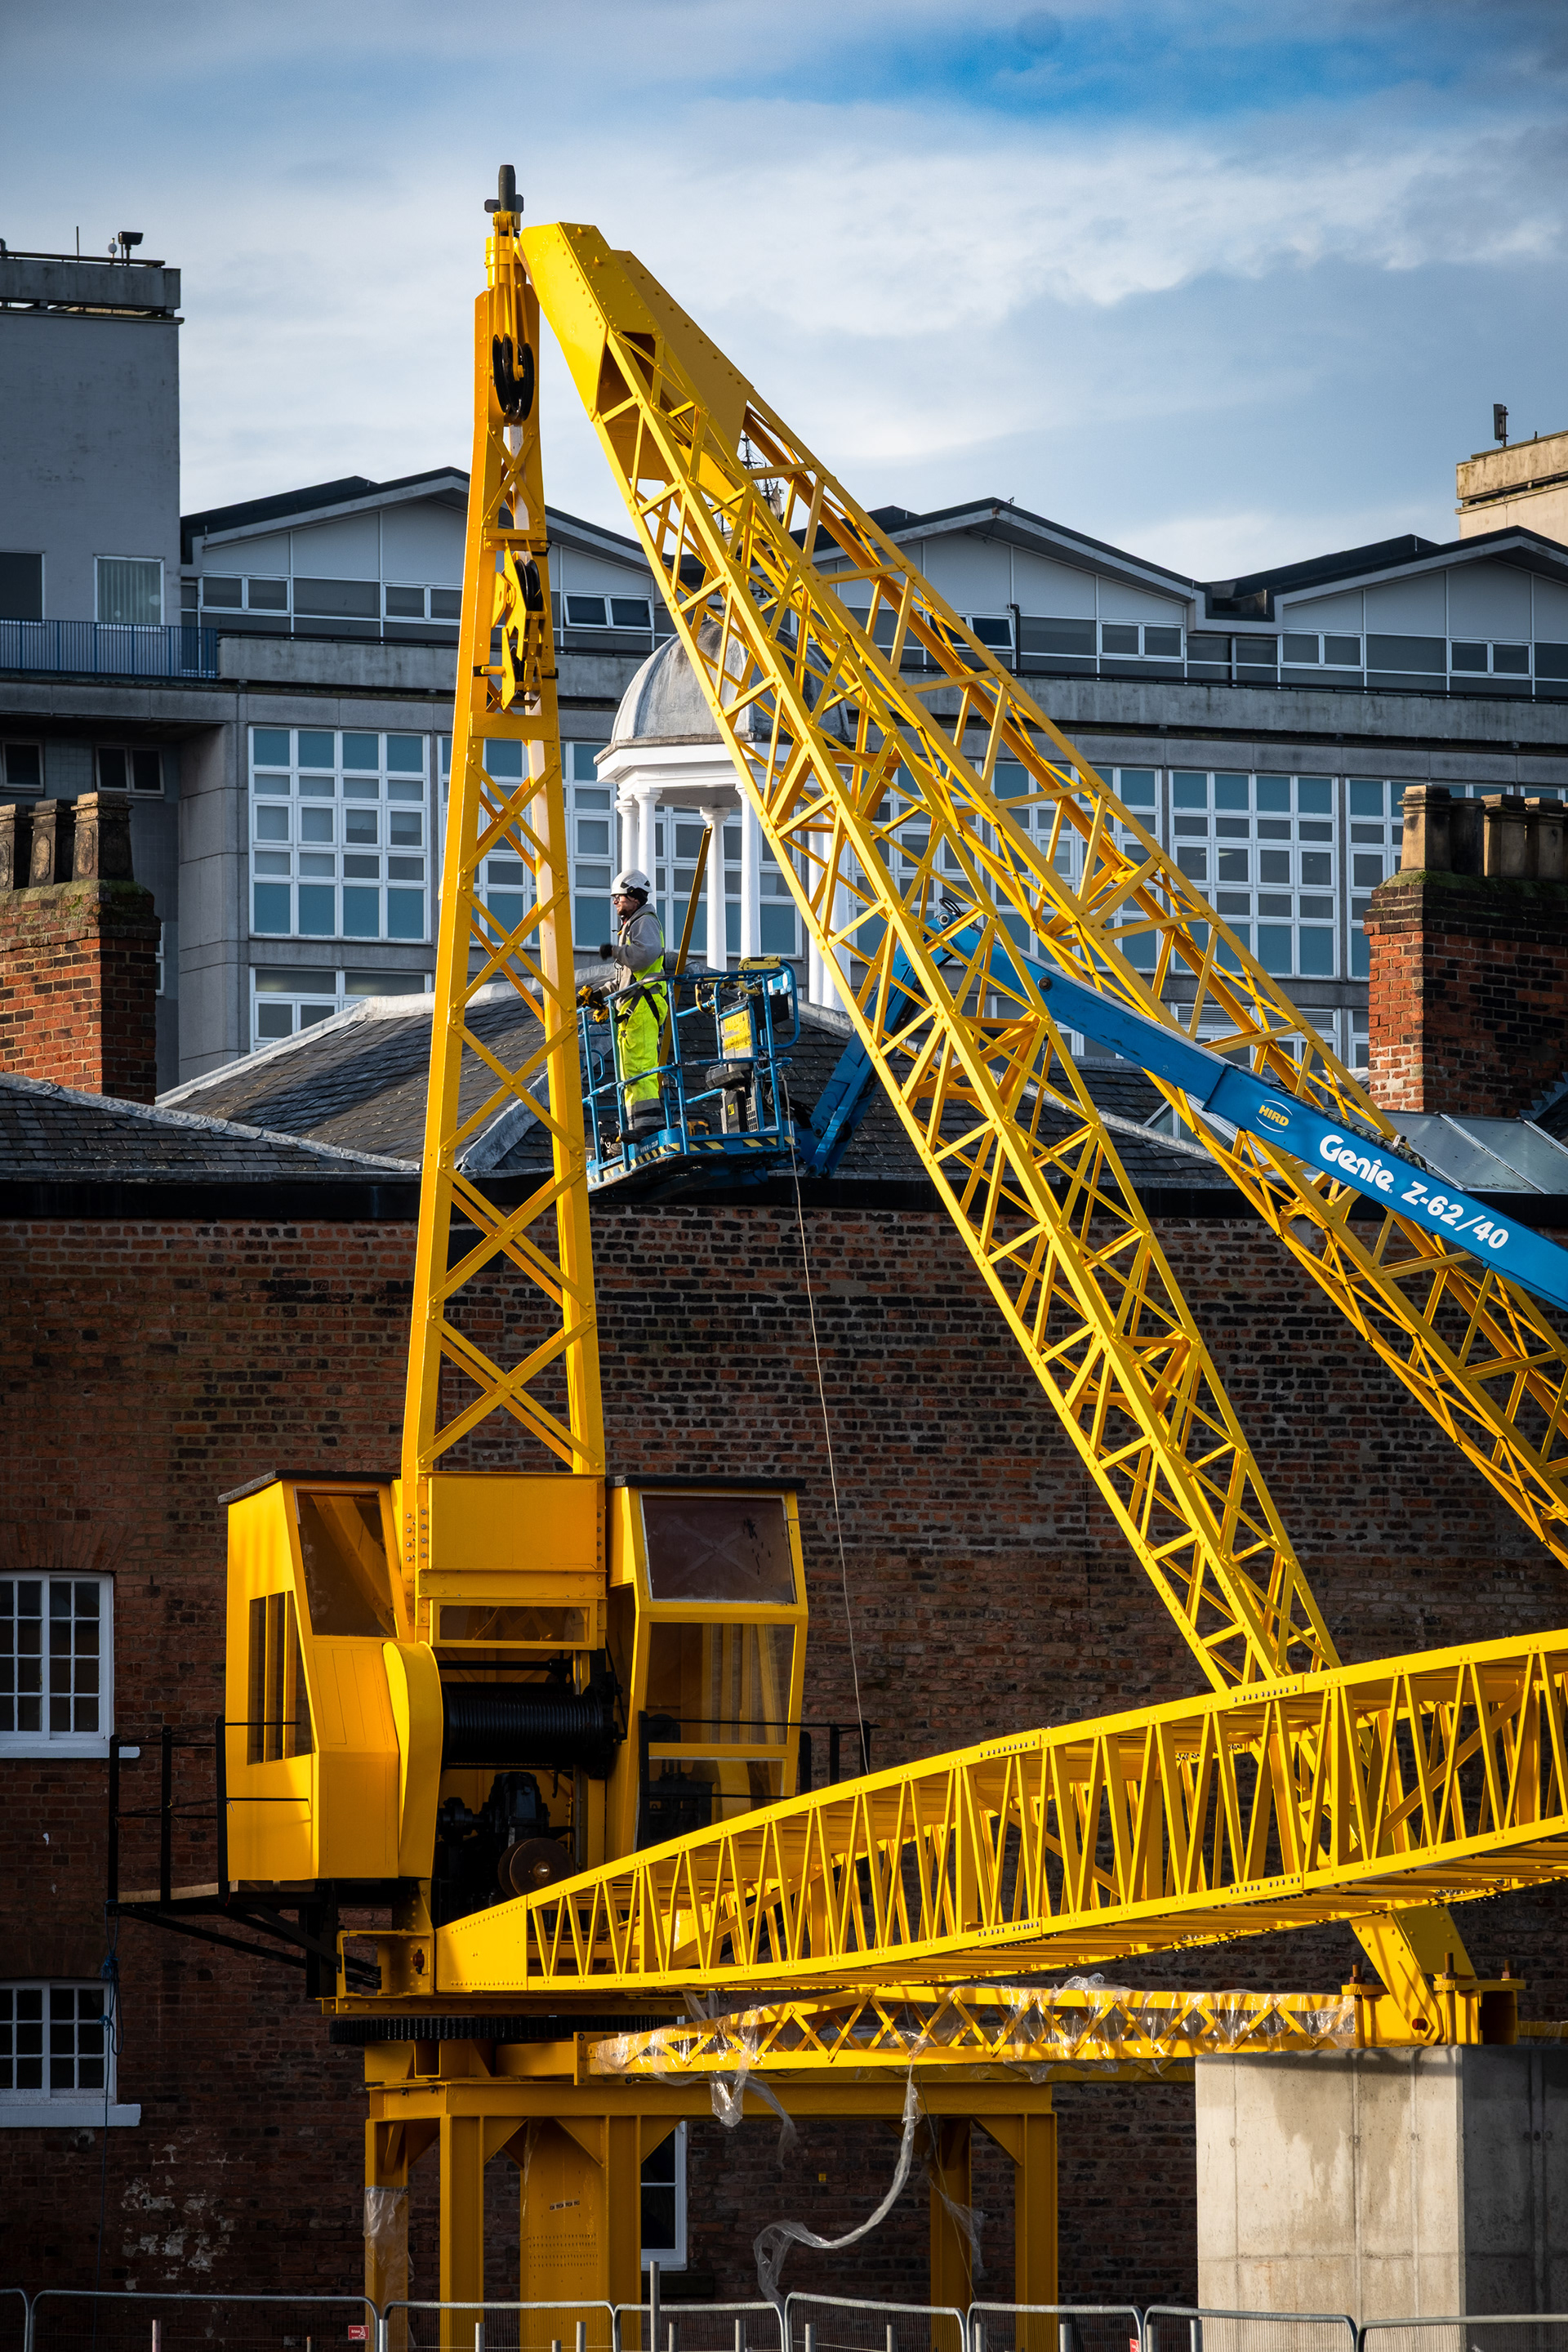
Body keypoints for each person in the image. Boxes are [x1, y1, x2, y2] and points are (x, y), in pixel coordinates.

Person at [599, 870, 668, 1137]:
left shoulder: (645, 921)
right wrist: (600, 994)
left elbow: (643, 956)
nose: (615, 902)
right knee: (630, 1069)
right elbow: (625, 978)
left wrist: (615, 951)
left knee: (640, 1066)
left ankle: (647, 1126)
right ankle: (635, 1125)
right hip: (633, 1006)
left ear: (634, 897)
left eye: (619, 897)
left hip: (643, 1004)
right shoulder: (632, 925)